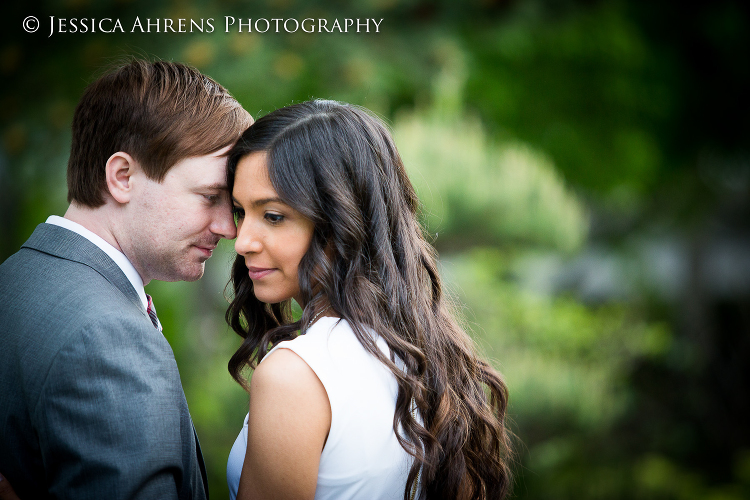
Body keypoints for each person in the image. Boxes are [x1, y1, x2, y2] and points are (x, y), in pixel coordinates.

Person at [224, 100, 514, 500]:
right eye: (240, 211)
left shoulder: (295, 375)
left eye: (273, 216)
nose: (242, 242)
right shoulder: (425, 359)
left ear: (342, 219)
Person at [0, 59, 253, 499]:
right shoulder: (108, 339)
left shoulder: (15, 279)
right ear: (122, 176)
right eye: (210, 197)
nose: (229, 228)